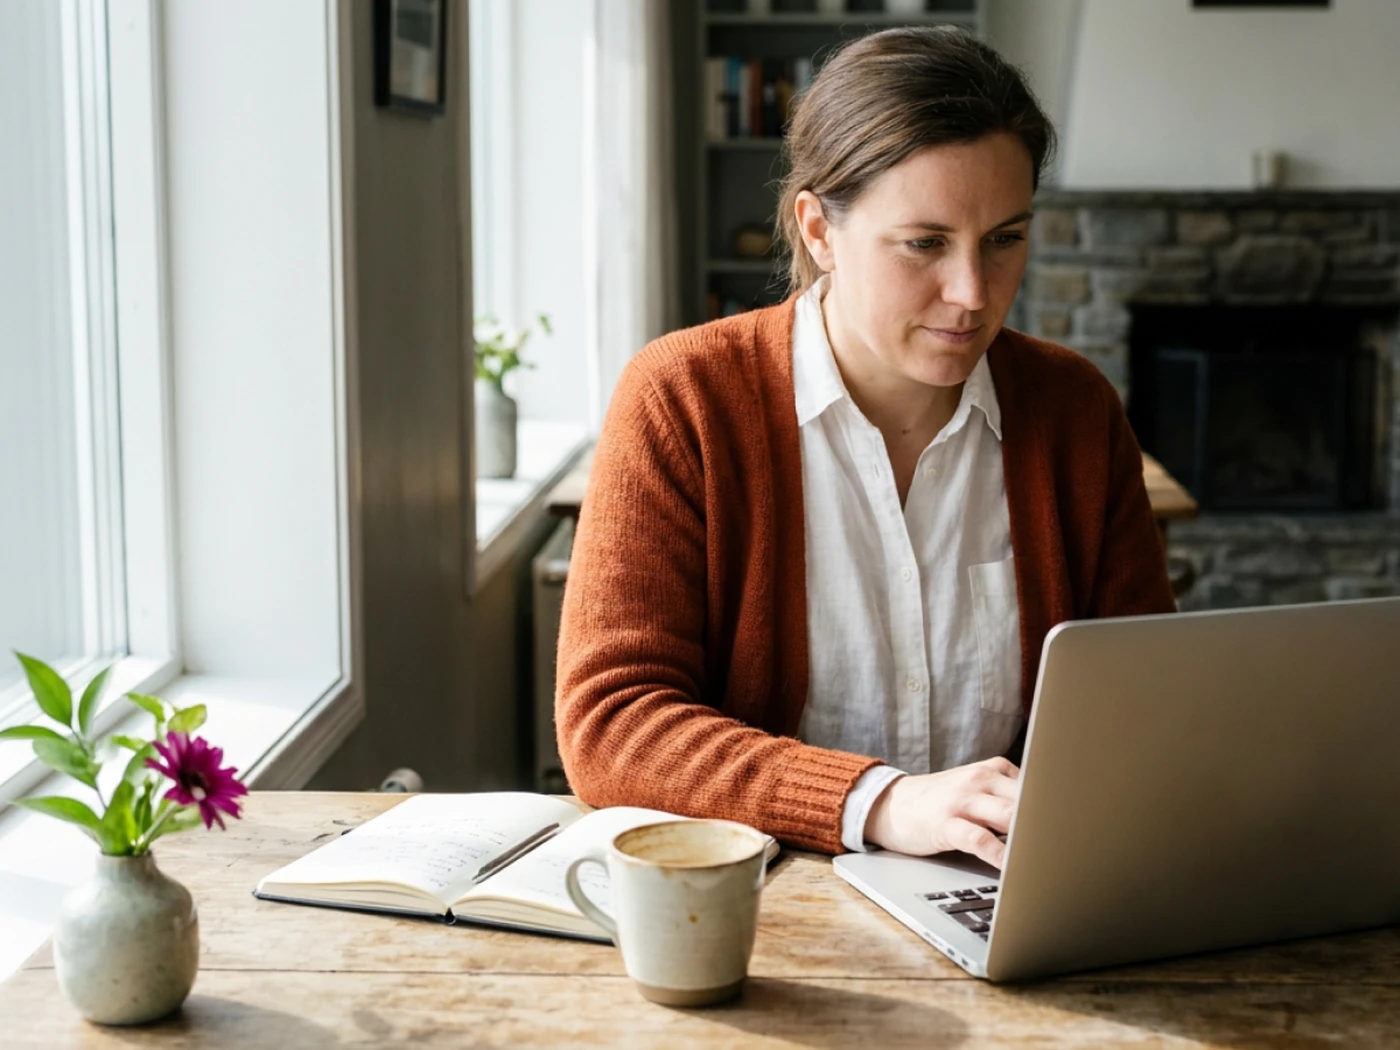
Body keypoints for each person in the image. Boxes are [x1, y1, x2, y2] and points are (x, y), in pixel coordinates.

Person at [554, 26, 1174, 870]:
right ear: (818, 229)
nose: (973, 294)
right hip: (766, 898)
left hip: (1008, 889)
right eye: (924, 243)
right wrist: (879, 801)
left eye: (1005, 238)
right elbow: (612, 723)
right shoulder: (685, 398)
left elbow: (1141, 694)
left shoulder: (1075, 410)